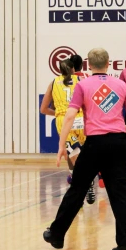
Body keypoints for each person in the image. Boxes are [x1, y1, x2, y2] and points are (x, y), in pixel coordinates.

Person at [43, 48, 126, 250]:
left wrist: (61, 146)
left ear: (88, 65)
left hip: (94, 143)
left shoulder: (83, 85)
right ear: (108, 63)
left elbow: (69, 116)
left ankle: (57, 234)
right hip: (117, 143)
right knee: (120, 192)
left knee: (77, 189)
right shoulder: (120, 84)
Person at [40, 57, 95, 204]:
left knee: (74, 156)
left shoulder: (53, 83)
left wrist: (58, 112)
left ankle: (84, 184)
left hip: (64, 121)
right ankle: (85, 182)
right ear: (73, 70)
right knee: (82, 155)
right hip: (81, 119)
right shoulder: (80, 81)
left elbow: (43, 109)